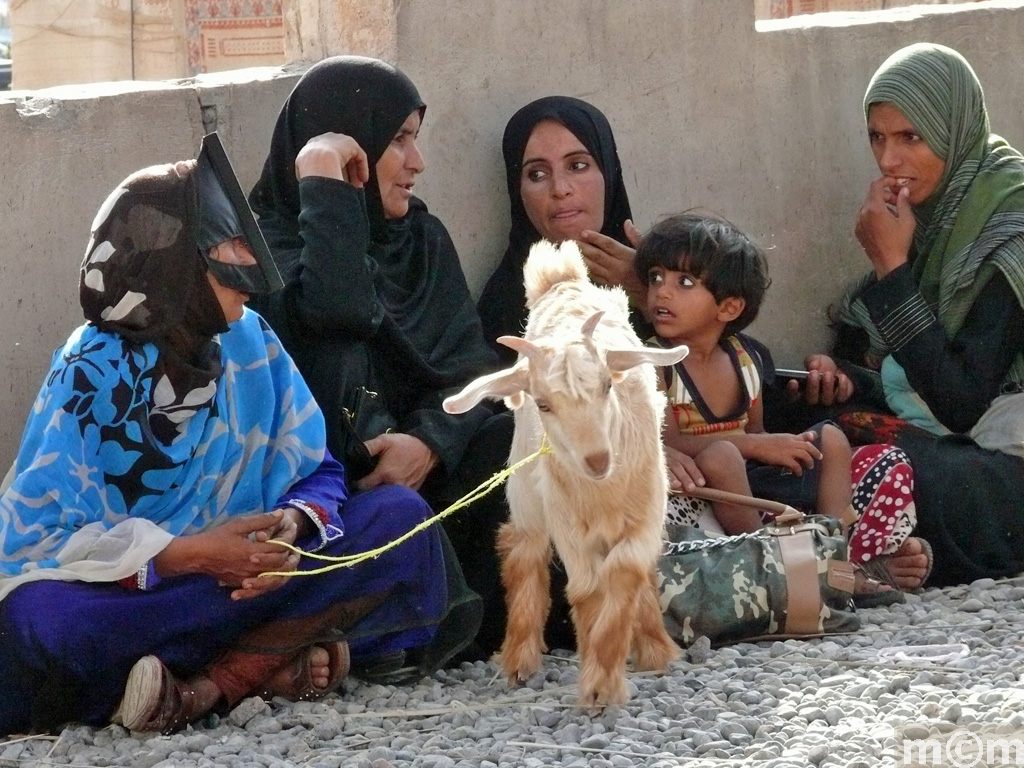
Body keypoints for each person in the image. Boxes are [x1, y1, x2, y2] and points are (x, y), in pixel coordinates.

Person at [0, 134, 479, 736]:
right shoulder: (87, 371)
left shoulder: (249, 341)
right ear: (169, 262)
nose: (249, 277)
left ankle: (208, 686)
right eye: (226, 248)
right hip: (149, 593)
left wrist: (292, 530)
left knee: (400, 519)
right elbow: (38, 541)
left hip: (255, 580)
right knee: (41, 620)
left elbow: (319, 469)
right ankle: (266, 660)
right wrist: (189, 556)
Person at [248, 56, 520, 658]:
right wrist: (325, 188)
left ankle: (474, 627)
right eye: (397, 141)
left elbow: (473, 369)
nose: (417, 163)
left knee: (513, 442)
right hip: (331, 502)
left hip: (430, 478)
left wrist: (429, 444)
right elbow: (337, 313)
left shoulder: (421, 240)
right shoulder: (260, 248)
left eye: (415, 140)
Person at [783, 43, 1024, 589]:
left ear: (953, 129)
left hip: (1003, 448)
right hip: (949, 430)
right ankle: (864, 537)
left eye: (910, 138)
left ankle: (855, 541)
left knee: (936, 481)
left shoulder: (1011, 220)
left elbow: (962, 402)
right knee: (793, 412)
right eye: (878, 137)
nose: (889, 160)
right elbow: (904, 366)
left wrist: (891, 267)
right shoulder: (933, 217)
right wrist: (840, 376)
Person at [636, 213, 917, 601]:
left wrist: (777, 447)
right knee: (722, 456)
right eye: (655, 278)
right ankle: (775, 569)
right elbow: (673, 444)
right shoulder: (653, 363)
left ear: (729, 308)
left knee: (835, 439)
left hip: (751, 488)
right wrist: (753, 446)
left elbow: (756, 433)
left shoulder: (746, 359)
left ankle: (833, 564)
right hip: (701, 497)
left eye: (684, 282)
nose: (661, 293)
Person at [477, 96, 651, 368]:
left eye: (577, 165)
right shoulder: (505, 305)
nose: (560, 188)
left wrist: (647, 295)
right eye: (537, 174)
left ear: (609, 173)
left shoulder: (663, 280)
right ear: (517, 191)